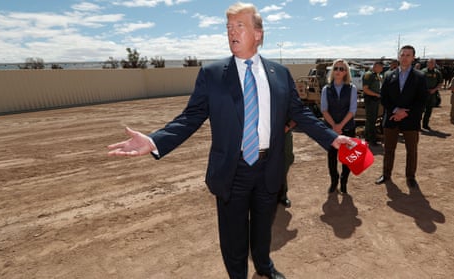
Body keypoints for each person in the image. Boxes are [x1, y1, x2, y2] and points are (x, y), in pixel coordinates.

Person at [107, 3, 352, 279]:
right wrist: (154, 141)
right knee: (233, 236)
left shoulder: (279, 75)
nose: (232, 32)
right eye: (228, 27)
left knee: (262, 227)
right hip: (231, 171)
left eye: (240, 26)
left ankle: (264, 267)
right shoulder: (212, 74)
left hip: (268, 167)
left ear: (258, 34)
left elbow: (300, 114)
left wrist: (332, 138)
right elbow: (191, 117)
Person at [375, 45, 428, 188]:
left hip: (411, 120)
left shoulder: (420, 77)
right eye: (402, 54)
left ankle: (410, 177)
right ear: (399, 56)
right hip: (392, 119)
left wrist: (405, 112)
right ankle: (386, 175)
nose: (405, 58)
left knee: (411, 151)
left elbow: (422, 100)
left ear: (413, 57)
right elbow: (384, 97)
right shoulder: (388, 75)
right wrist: (396, 110)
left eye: (408, 55)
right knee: (389, 150)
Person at [320, 59, 358, 194]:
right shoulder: (326, 89)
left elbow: (352, 110)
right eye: (336, 68)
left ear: (346, 72)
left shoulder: (351, 88)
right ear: (332, 71)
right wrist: (334, 126)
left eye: (341, 69)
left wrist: (340, 125)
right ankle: (334, 181)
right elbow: (324, 110)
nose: (338, 71)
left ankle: (344, 182)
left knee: (347, 158)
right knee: (332, 157)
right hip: (331, 130)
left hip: (347, 128)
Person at [362, 61, 384, 145]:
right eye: (381, 67)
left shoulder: (375, 75)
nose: (382, 69)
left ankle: (368, 138)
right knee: (371, 120)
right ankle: (372, 140)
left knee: (372, 120)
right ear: (376, 66)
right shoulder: (369, 74)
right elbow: (365, 89)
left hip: (375, 100)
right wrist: (376, 94)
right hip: (370, 100)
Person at [278, 119, 296, 208]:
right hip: (265, 133)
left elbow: (297, 114)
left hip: (285, 133)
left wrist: (288, 127)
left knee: (285, 162)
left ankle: (282, 195)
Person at [421, 58, 443, 130]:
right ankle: (417, 125)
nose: (431, 64)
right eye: (430, 63)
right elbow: (418, 82)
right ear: (427, 63)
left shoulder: (437, 73)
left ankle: (425, 124)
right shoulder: (423, 72)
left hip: (432, 94)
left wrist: (434, 89)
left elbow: (440, 83)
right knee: (420, 110)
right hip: (423, 94)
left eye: (433, 63)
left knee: (429, 110)